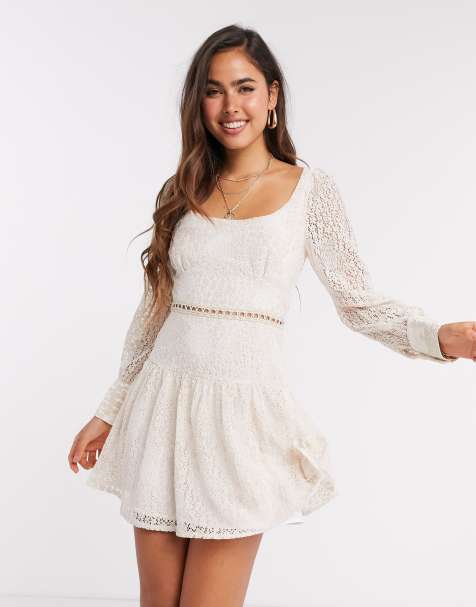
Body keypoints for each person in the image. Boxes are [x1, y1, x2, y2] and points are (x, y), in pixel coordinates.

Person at [67, 24, 475, 607]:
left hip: (240, 418)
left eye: (245, 87)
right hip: (162, 405)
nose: (230, 106)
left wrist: (437, 337)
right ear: (198, 102)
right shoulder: (183, 188)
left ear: (272, 95)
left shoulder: (310, 190)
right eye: (213, 90)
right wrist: (108, 411)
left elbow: (356, 300)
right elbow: (153, 313)